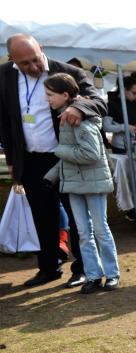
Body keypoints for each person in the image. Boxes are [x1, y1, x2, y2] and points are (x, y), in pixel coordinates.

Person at [0, 34, 105, 287]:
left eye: (36, 59)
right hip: (30, 160)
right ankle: (49, 267)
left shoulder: (67, 72)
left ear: (42, 49)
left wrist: (78, 107)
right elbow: (4, 119)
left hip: (66, 159)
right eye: (25, 63)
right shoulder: (4, 76)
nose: (34, 67)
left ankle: (82, 268)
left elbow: (99, 101)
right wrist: (12, 157)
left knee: (77, 215)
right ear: (12, 60)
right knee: (42, 217)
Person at [42, 73, 120, 293]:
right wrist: (51, 176)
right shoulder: (67, 117)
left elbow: (91, 154)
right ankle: (94, 275)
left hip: (92, 183)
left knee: (99, 230)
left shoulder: (78, 119)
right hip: (76, 184)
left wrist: (58, 151)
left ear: (65, 95)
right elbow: (72, 156)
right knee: (85, 232)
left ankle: (112, 274)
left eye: (50, 95)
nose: (47, 99)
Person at [104, 76, 136, 155]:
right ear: (124, 89)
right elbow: (106, 127)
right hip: (119, 146)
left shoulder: (134, 103)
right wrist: (124, 127)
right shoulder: (112, 104)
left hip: (133, 143)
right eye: (134, 93)